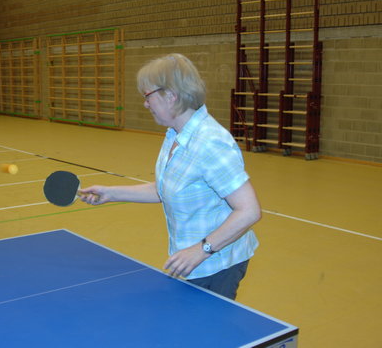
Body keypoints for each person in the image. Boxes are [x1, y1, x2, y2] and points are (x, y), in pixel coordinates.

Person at [79, 54, 261, 299]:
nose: (145, 104)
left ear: (170, 96)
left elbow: (249, 211)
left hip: (218, 265)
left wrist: (201, 249)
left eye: (147, 96)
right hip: (192, 261)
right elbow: (166, 189)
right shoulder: (175, 135)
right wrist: (111, 193)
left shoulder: (210, 142)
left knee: (205, 334)